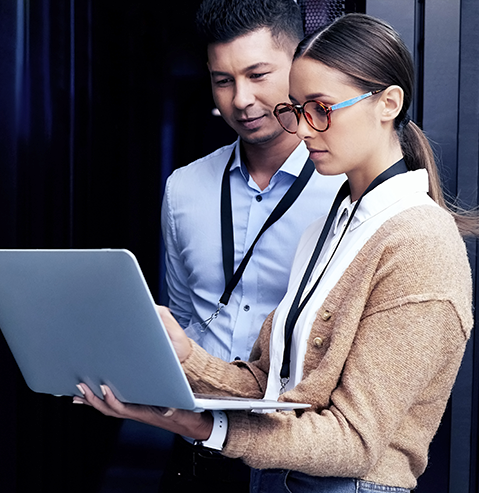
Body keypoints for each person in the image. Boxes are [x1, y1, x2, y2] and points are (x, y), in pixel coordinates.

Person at [76, 13, 479, 493]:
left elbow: (355, 441)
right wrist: (183, 355)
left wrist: (199, 426)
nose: (303, 128)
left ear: (388, 104)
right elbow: (273, 387)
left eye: (321, 107)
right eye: (296, 109)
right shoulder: (332, 226)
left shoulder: (420, 241)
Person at [160, 0, 342, 489]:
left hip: (296, 454)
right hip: (197, 443)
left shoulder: (345, 188)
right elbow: (183, 318)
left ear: (299, 67)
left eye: (259, 74)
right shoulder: (184, 188)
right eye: (223, 81)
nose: (240, 99)